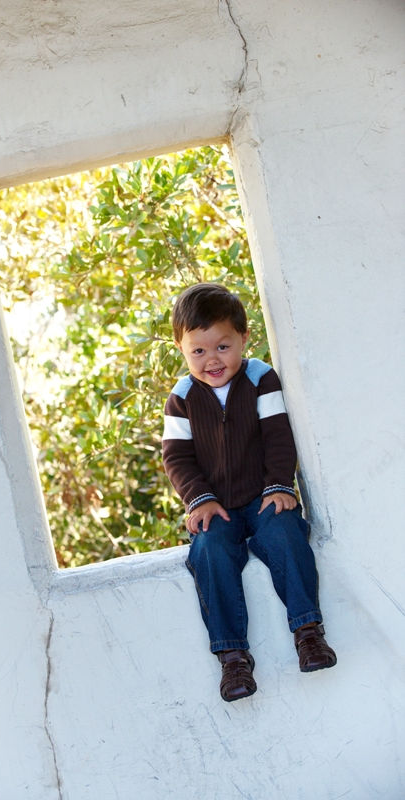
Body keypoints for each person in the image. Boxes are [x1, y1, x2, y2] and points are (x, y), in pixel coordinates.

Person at [162, 283, 336, 702]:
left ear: (244, 337)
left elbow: (278, 436)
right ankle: (233, 657)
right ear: (181, 349)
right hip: (218, 508)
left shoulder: (260, 379)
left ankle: (308, 630)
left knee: (286, 533)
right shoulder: (181, 399)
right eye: (198, 351)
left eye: (223, 347)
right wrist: (199, 499)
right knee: (209, 551)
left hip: (263, 498)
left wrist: (279, 485)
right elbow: (177, 458)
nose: (212, 360)